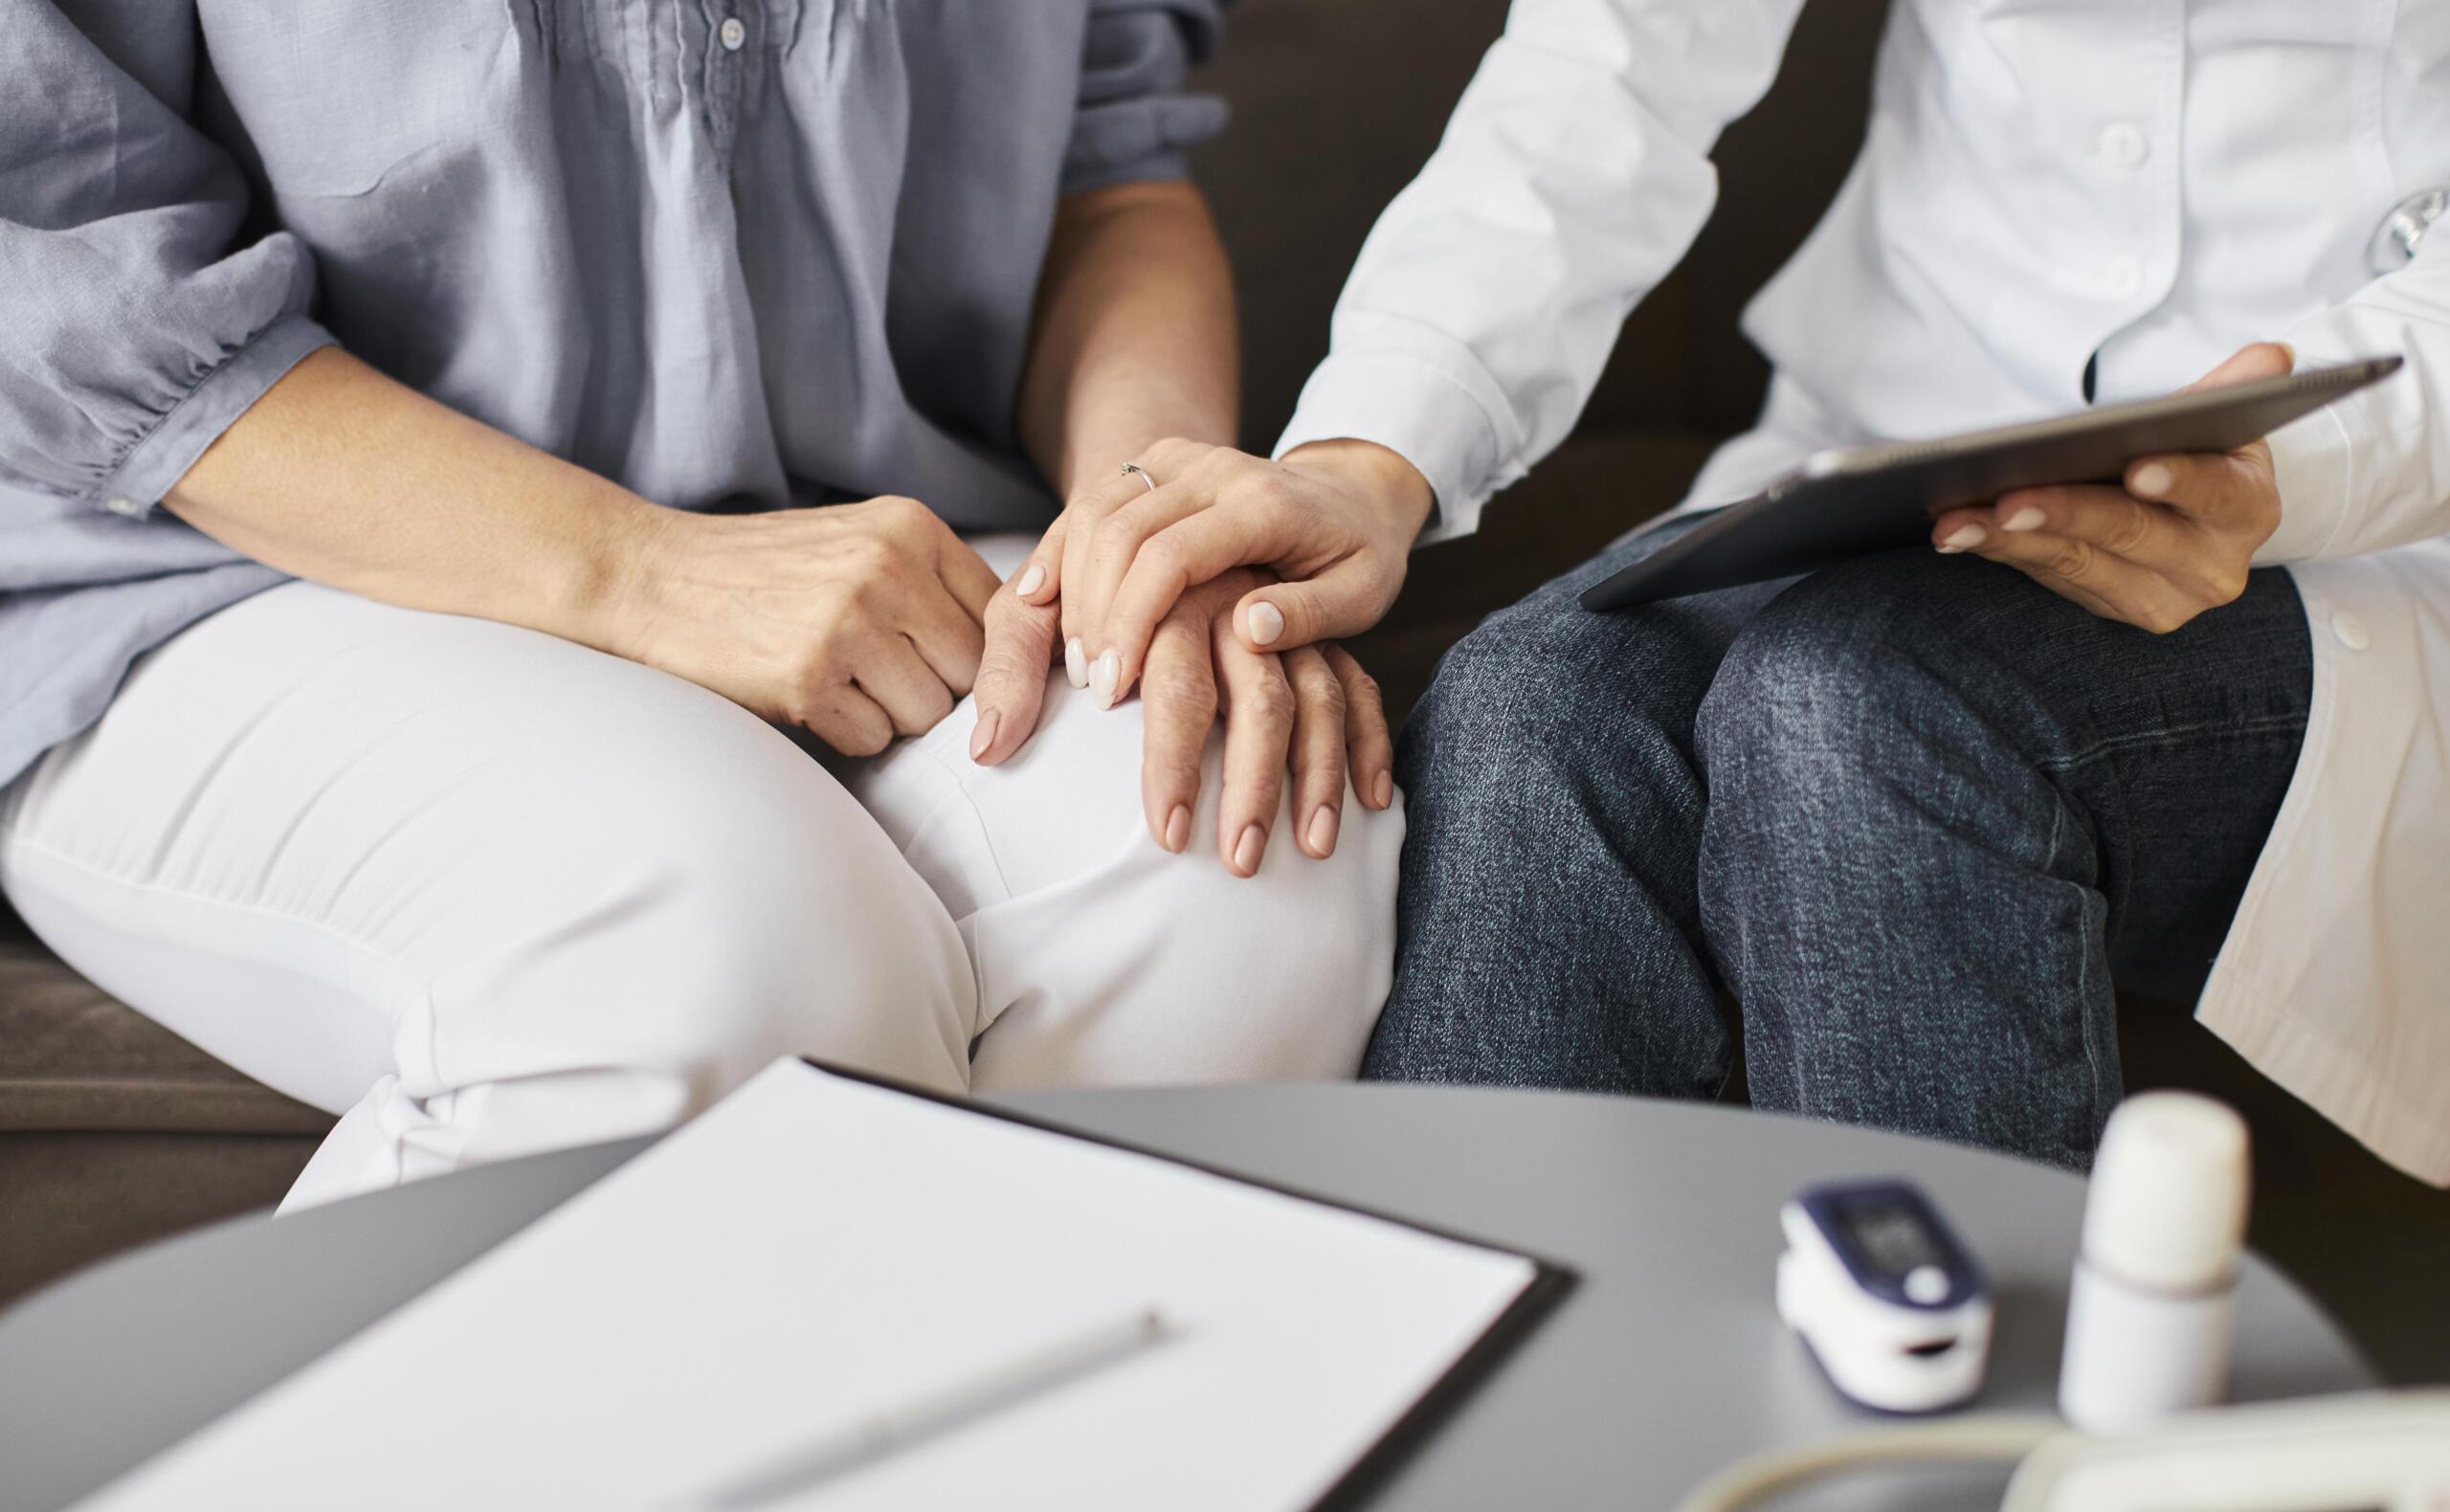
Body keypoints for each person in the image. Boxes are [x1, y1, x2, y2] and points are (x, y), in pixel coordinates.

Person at [990, 0, 2450, 1182]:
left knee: (1863, 712)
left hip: (2367, 508)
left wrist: (2291, 469)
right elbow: (1615, 61)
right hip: (1899, 426)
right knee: (1532, 698)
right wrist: (1372, 459)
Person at [0, 0, 1402, 1210]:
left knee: (1242, 837)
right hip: (230, 559)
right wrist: (641, 571)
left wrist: (1151, 522)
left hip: (888, 536)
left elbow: (1108, 180)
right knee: (722, 947)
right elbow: (63, 278)